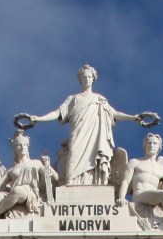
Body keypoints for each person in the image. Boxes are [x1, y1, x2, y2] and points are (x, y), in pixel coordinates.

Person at [18, 64, 155, 188]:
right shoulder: (73, 99)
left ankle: (98, 183)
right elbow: (58, 113)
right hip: (78, 132)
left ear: (93, 78)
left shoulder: (99, 99)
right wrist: (38, 119)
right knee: (74, 154)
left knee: (95, 156)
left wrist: (134, 117)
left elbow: (114, 113)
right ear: (80, 79)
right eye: (84, 77)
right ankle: (71, 183)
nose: (87, 79)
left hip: (96, 134)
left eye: (89, 76)